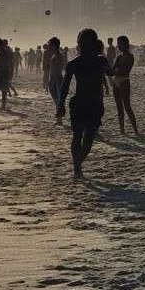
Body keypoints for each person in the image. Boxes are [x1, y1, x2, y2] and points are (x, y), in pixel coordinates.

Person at [55, 29, 111, 180]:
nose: (84, 45)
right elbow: (65, 87)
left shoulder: (99, 61)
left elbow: (111, 73)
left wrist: (61, 105)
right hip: (84, 103)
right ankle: (77, 166)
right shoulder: (77, 63)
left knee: (86, 138)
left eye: (86, 42)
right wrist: (60, 105)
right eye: (82, 42)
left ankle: (77, 165)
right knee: (81, 137)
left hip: (89, 103)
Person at [109, 35, 137, 135]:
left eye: (120, 43)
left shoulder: (130, 56)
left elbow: (125, 71)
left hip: (124, 81)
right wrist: (116, 71)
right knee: (119, 107)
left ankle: (135, 129)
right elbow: (113, 69)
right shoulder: (119, 57)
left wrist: (116, 71)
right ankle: (122, 130)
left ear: (125, 44)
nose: (118, 45)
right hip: (117, 81)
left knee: (127, 106)